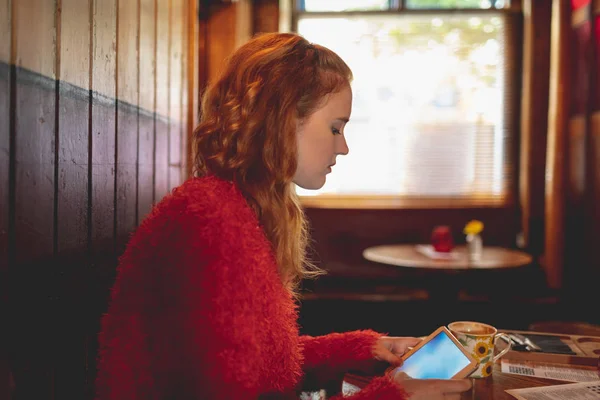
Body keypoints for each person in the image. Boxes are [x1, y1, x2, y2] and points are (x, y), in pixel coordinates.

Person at [94, 32, 472, 399]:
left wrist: (368, 348)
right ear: (284, 119)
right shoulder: (212, 221)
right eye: (336, 127)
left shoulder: (240, 208)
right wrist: (393, 396)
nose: (344, 147)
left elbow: (264, 365)